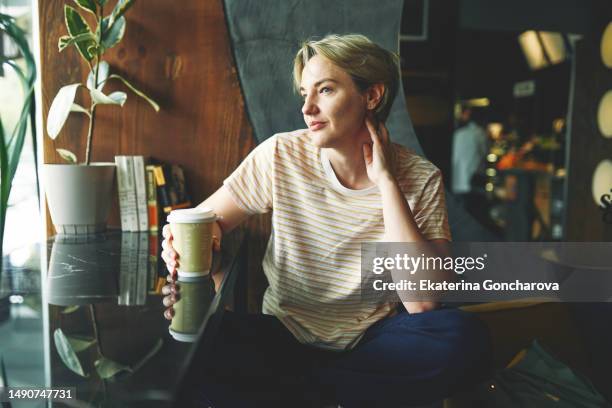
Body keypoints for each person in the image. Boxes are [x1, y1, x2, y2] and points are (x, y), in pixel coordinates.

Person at [161, 34, 492, 407]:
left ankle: (298, 394)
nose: (308, 108)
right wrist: (179, 240)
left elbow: (423, 304)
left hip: (371, 342)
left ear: (372, 96)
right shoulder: (281, 155)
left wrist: (386, 182)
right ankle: (333, 395)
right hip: (282, 337)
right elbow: (206, 220)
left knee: (465, 338)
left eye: (326, 90)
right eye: (305, 93)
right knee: (197, 348)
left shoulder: (420, 177)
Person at [451, 106, 488, 199]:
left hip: (457, 180)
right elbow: (484, 153)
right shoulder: (480, 133)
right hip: (474, 181)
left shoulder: (457, 134)